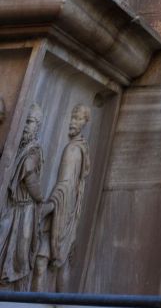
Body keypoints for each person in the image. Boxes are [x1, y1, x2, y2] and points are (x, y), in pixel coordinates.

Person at [33, 105, 91, 292]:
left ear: (85, 123)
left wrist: (49, 206)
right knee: (58, 262)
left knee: (47, 260)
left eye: (79, 119)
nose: (74, 122)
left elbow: (65, 184)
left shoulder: (73, 150)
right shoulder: (81, 148)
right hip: (67, 209)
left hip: (62, 209)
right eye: (73, 117)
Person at [0, 104, 45, 290]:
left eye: (31, 122)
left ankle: (18, 290)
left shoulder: (32, 150)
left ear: (38, 127)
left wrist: (40, 197)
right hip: (14, 207)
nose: (27, 126)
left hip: (25, 210)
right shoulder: (21, 147)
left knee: (21, 252)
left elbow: (30, 177)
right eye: (25, 121)